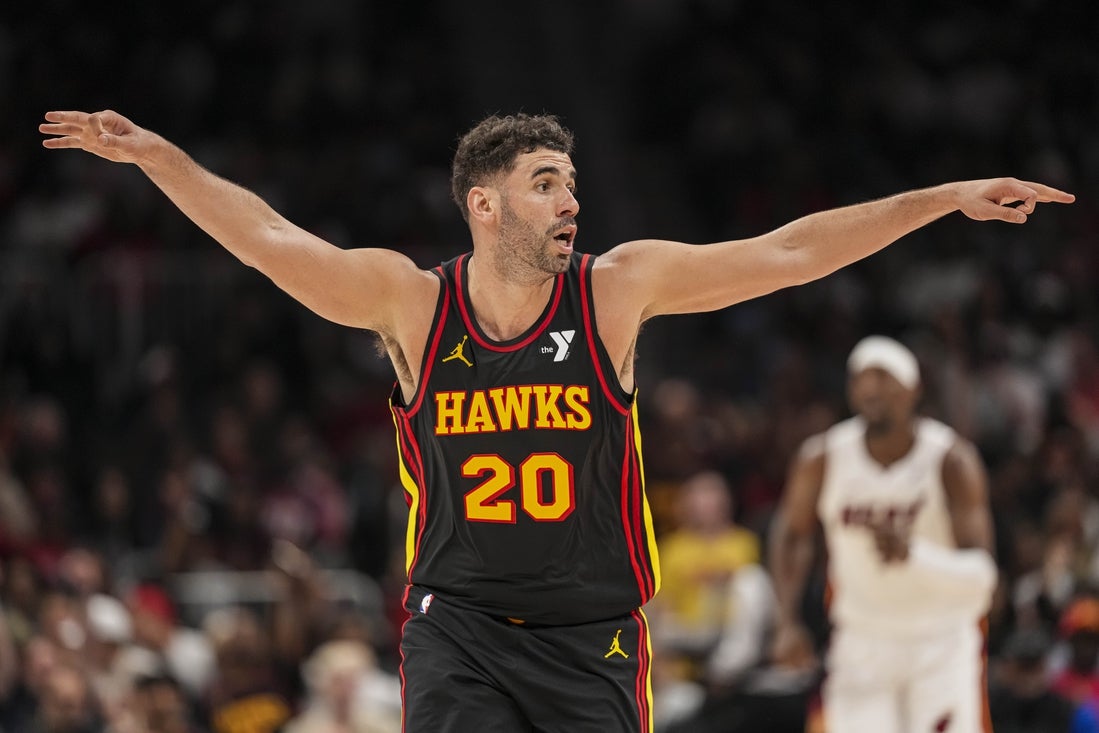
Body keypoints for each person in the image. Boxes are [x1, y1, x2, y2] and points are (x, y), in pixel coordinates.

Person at [40, 109, 1073, 732]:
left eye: (571, 183)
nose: (570, 201)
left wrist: (942, 197)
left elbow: (791, 251)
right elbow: (268, 238)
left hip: (594, 637)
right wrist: (161, 159)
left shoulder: (614, 292)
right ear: (483, 205)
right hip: (459, 626)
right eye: (544, 185)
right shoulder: (412, 304)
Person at [769, 335, 1000, 733]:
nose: (871, 388)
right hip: (862, 642)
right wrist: (786, 621)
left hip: (939, 642)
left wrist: (913, 555)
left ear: (913, 389)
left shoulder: (950, 461)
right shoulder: (822, 458)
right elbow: (792, 536)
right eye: (861, 378)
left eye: (883, 378)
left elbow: (981, 575)